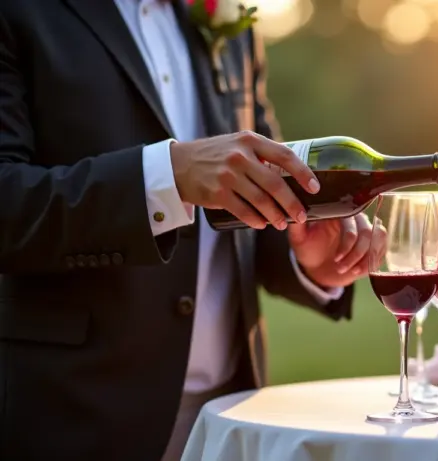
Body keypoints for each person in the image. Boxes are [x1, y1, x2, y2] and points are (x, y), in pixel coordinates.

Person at [0, 1, 373, 460]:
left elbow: (255, 184)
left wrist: (305, 259)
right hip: (78, 417)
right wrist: (167, 176)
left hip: (231, 418)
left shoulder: (228, 19)